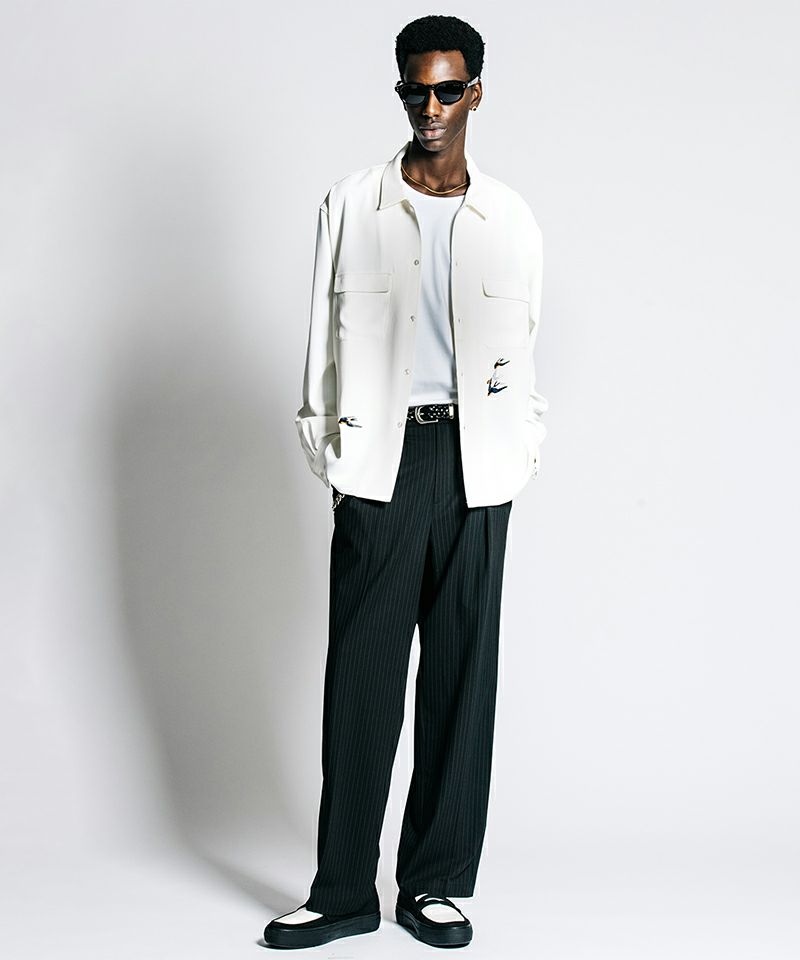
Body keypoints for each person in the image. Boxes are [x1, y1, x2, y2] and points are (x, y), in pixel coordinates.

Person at [264, 13, 548, 951]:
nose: (430, 108)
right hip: (381, 465)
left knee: (463, 681)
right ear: (400, 92)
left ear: (475, 93)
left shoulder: (509, 217)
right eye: (414, 91)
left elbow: (525, 348)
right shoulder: (352, 204)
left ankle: (435, 884)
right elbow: (320, 343)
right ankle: (343, 892)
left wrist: (520, 451)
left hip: (478, 469)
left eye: (447, 90)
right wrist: (335, 463)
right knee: (363, 681)